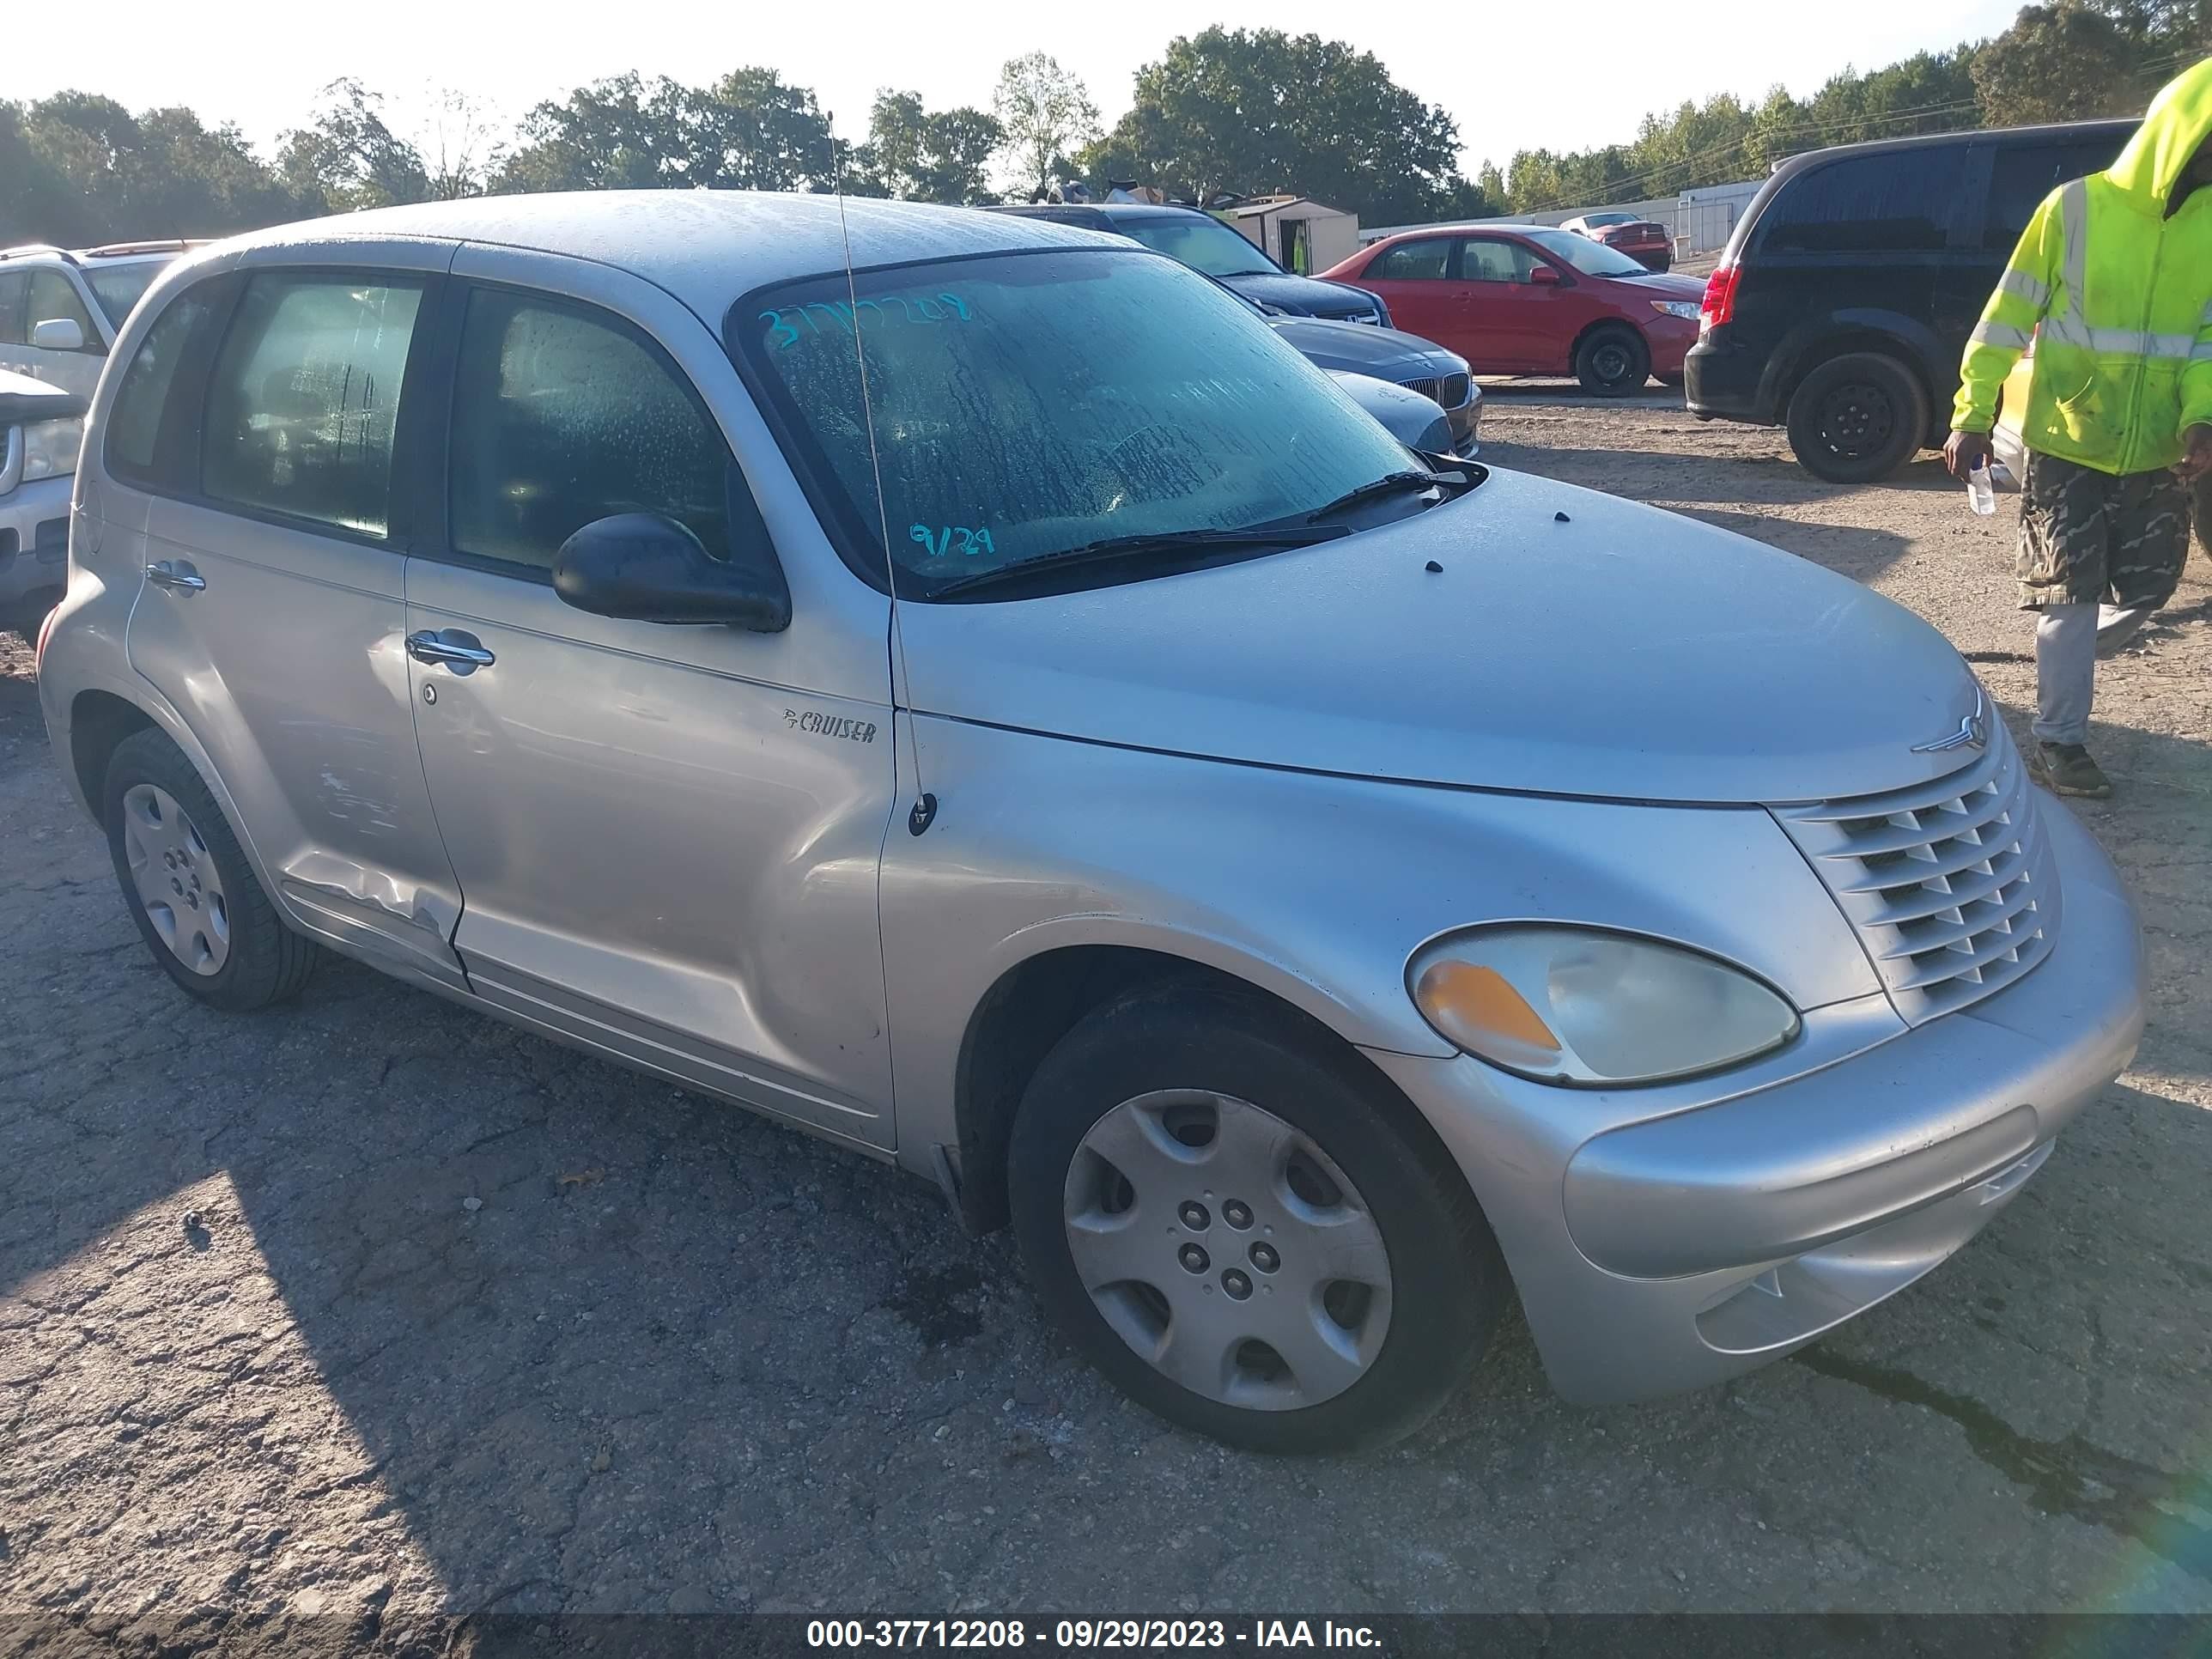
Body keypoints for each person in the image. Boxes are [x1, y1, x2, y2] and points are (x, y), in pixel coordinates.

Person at [1945, 58, 2212, 799]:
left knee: (2153, 587)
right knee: (2071, 590)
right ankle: (2060, 740)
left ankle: (2061, 658)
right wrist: (1972, 413)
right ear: (2182, 135)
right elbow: (2004, 318)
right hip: (2065, 440)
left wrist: (2202, 420)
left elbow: (2206, 344)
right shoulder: (2075, 209)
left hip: (2157, 449)